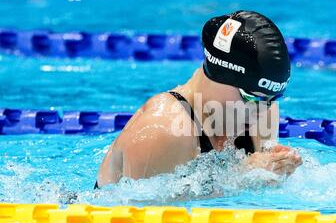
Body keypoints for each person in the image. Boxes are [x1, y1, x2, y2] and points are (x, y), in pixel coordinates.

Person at [96, 10, 302, 188]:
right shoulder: (163, 130)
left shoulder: (265, 109)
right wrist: (240, 176)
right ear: (219, 76)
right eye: (251, 97)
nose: (262, 111)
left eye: (273, 98)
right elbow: (143, 222)